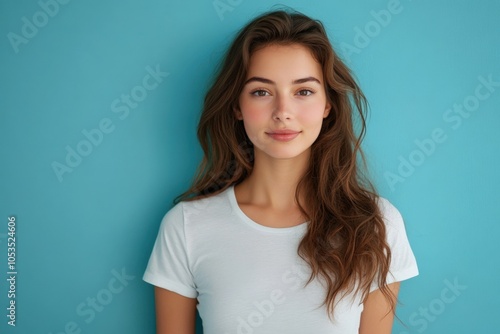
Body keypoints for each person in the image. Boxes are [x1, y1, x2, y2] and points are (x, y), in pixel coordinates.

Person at [143, 8, 418, 334]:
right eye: (261, 91)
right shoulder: (186, 227)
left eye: (303, 91)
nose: (283, 112)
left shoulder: (377, 224)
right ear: (237, 106)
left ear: (328, 104)